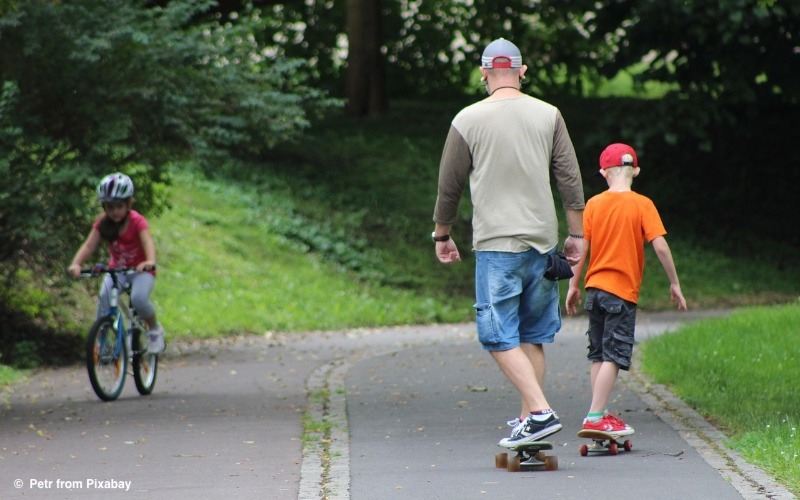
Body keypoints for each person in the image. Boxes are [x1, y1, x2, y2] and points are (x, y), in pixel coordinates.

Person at [431, 38, 586, 448]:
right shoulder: (549, 114)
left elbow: (449, 187)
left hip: (497, 244)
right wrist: (576, 235)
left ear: (484, 73)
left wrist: (442, 234)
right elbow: (570, 180)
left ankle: (540, 412)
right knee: (531, 335)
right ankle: (529, 425)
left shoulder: (467, 119)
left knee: (498, 336)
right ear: (522, 71)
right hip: (542, 245)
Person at [565, 143, 687, 434]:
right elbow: (660, 246)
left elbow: (582, 248)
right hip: (620, 293)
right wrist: (674, 282)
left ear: (603, 172)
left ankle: (599, 412)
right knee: (614, 355)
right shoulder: (642, 204)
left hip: (594, 290)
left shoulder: (594, 204)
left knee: (598, 354)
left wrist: (572, 284)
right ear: (637, 171)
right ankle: (596, 416)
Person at [67, 173, 166, 354]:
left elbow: (147, 242)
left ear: (129, 204)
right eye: (110, 207)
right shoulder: (103, 223)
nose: (115, 211)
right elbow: (89, 245)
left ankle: (154, 329)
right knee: (104, 296)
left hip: (141, 271)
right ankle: (102, 338)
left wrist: (150, 261)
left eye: (119, 206)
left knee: (138, 298)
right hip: (118, 271)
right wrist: (77, 264)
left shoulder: (137, 221)